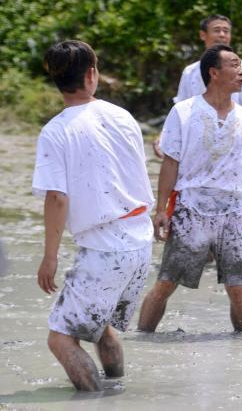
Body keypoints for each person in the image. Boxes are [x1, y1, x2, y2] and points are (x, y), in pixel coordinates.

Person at [32, 40, 154, 391]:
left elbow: (57, 198)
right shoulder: (122, 117)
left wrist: (50, 256)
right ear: (91, 75)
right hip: (139, 240)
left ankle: (95, 400)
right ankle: (117, 389)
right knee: (102, 328)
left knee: (60, 338)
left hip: (104, 248)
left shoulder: (56, 131)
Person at [137, 45, 242, 334]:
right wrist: (161, 210)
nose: (241, 71)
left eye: (241, 65)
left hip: (233, 212)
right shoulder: (184, 111)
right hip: (191, 209)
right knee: (166, 283)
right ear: (214, 73)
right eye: (234, 65)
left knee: (237, 286)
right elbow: (170, 163)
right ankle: (141, 339)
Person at [155, 14, 242, 268]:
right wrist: (165, 137)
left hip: (232, 151)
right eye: (217, 30)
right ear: (203, 35)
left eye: (226, 30)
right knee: (192, 262)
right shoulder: (190, 75)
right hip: (197, 160)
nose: (222, 35)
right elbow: (179, 115)